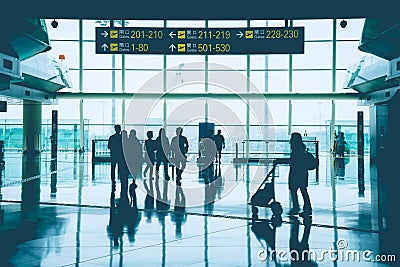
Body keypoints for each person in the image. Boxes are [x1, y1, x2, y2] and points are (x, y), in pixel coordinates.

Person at [276, 132, 312, 217]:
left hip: (296, 173)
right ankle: (307, 207)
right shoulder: (301, 148)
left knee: (294, 190)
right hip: (302, 173)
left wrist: (280, 161)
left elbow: (293, 161)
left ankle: (297, 207)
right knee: (303, 190)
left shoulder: (296, 149)